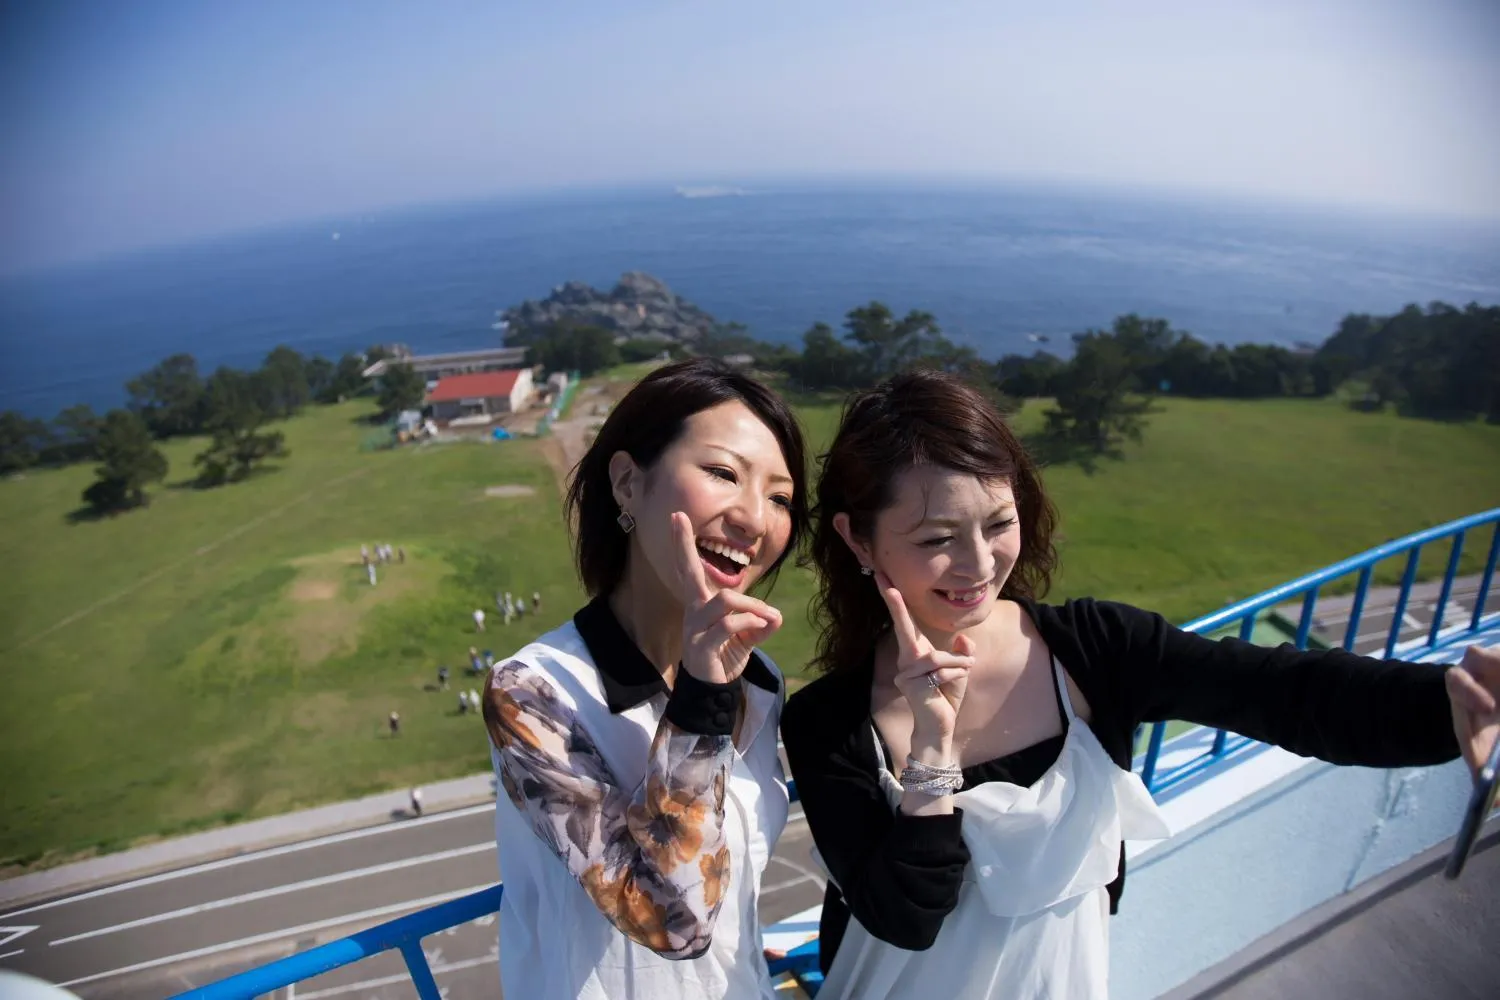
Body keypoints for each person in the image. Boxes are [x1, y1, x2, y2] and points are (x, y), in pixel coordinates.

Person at [781, 369, 1500, 1000]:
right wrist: (932, 756)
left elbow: (1288, 693)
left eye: (1000, 523)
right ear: (858, 539)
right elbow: (905, 917)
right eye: (937, 539)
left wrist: (1451, 704)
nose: (977, 564)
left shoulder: (1094, 650)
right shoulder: (829, 722)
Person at [480, 358, 810, 999]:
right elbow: (670, 920)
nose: (755, 518)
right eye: (722, 474)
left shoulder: (760, 681)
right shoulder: (533, 691)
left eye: (779, 498)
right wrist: (703, 694)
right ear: (628, 483)